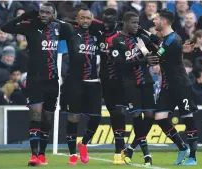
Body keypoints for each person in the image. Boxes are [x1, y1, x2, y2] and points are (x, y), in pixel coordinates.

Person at [1, 2, 74, 166]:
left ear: (53, 15)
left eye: (47, 13)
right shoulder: (30, 26)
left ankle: (42, 154)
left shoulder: (59, 28)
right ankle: (34, 155)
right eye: (41, 12)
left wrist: (58, 19)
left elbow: (72, 29)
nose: (43, 15)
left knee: (47, 118)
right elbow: (6, 27)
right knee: (35, 114)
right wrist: (25, 15)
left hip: (53, 80)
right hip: (34, 80)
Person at [143, 9, 198, 166]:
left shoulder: (174, 40)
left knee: (188, 117)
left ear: (164, 22)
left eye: (156, 19)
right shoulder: (165, 39)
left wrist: (143, 49)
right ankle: (182, 147)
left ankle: (193, 156)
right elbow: (154, 39)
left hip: (180, 85)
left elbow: (156, 55)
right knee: (160, 118)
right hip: (167, 86)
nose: (154, 21)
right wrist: (140, 31)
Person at [107, 11, 156, 166]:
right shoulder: (115, 40)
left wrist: (153, 55)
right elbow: (119, 64)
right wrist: (142, 57)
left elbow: (159, 47)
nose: (137, 25)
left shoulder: (141, 38)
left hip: (146, 81)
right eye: (134, 22)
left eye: (138, 23)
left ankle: (130, 148)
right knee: (136, 117)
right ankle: (147, 155)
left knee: (150, 116)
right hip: (129, 83)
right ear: (125, 23)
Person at [60, 7, 102, 165]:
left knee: (96, 117)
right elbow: (60, 23)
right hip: (74, 81)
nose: (85, 21)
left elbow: (106, 25)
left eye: (88, 18)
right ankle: (72, 154)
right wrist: (73, 22)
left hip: (92, 81)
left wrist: (93, 21)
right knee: (74, 117)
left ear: (92, 20)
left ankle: (83, 143)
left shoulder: (97, 34)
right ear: (77, 20)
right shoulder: (70, 33)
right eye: (82, 18)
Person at [94, 8, 127, 164]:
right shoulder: (99, 33)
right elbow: (82, 20)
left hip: (120, 81)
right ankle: (120, 147)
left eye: (110, 21)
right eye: (105, 21)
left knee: (119, 113)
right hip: (105, 80)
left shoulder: (121, 37)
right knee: (113, 114)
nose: (107, 24)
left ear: (116, 21)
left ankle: (119, 149)